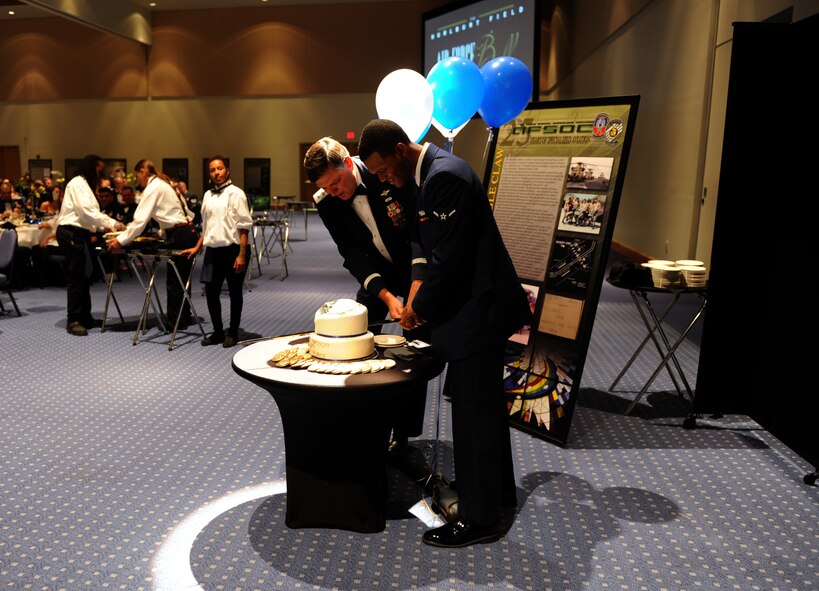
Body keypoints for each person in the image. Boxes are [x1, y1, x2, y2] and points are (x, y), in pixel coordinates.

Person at [358, 119, 532, 549]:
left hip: (479, 312)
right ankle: (497, 495)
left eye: (382, 171)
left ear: (401, 149)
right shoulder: (426, 175)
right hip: (470, 310)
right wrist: (415, 293)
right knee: (483, 412)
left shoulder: (445, 177)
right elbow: (423, 242)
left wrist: (418, 311)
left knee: (474, 416)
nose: (384, 180)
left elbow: (449, 261)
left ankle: (479, 520)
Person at [303, 136, 429, 455]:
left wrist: (414, 292)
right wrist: (385, 295)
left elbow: (418, 234)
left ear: (348, 163)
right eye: (327, 188)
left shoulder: (382, 172)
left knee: (417, 348)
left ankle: (403, 433)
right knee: (357, 342)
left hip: (413, 266)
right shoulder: (326, 201)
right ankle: (361, 419)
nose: (334, 192)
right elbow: (351, 253)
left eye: (336, 183)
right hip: (377, 274)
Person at [107, 159, 198, 329]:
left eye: (137, 176)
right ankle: (183, 317)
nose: (137, 180)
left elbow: (140, 221)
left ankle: (174, 322)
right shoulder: (166, 183)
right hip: (187, 231)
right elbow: (180, 211)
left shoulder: (153, 187)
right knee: (183, 279)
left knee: (174, 281)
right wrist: (163, 232)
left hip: (179, 235)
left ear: (143, 171)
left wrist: (120, 240)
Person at [179, 155, 252, 348]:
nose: (216, 172)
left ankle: (233, 332)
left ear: (227, 170)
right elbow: (207, 226)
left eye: (219, 169)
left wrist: (242, 254)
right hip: (213, 251)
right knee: (211, 293)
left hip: (234, 250)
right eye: (212, 170)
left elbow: (243, 226)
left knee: (235, 293)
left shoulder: (236, 193)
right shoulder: (208, 195)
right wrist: (197, 247)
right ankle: (218, 332)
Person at [56, 154, 124, 336]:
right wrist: (112, 223)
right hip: (71, 232)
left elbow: (90, 216)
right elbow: (86, 213)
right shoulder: (78, 183)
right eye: (100, 170)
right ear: (90, 167)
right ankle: (74, 319)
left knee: (85, 276)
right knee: (76, 277)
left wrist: (105, 227)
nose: (102, 174)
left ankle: (85, 316)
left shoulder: (86, 185)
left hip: (80, 234)